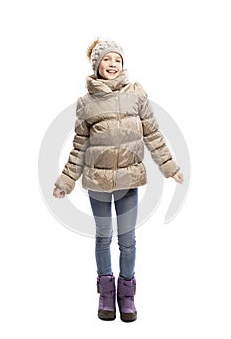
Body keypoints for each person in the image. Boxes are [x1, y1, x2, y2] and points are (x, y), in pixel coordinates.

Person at [53, 39, 184, 322]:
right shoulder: (86, 103)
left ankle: (126, 294)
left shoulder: (136, 94)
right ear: (97, 65)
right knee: (103, 238)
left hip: (128, 181)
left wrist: (169, 166)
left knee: (128, 241)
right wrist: (66, 181)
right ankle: (105, 293)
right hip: (97, 183)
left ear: (123, 64)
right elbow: (79, 146)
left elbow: (152, 134)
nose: (113, 64)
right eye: (107, 60)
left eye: (117, 60)